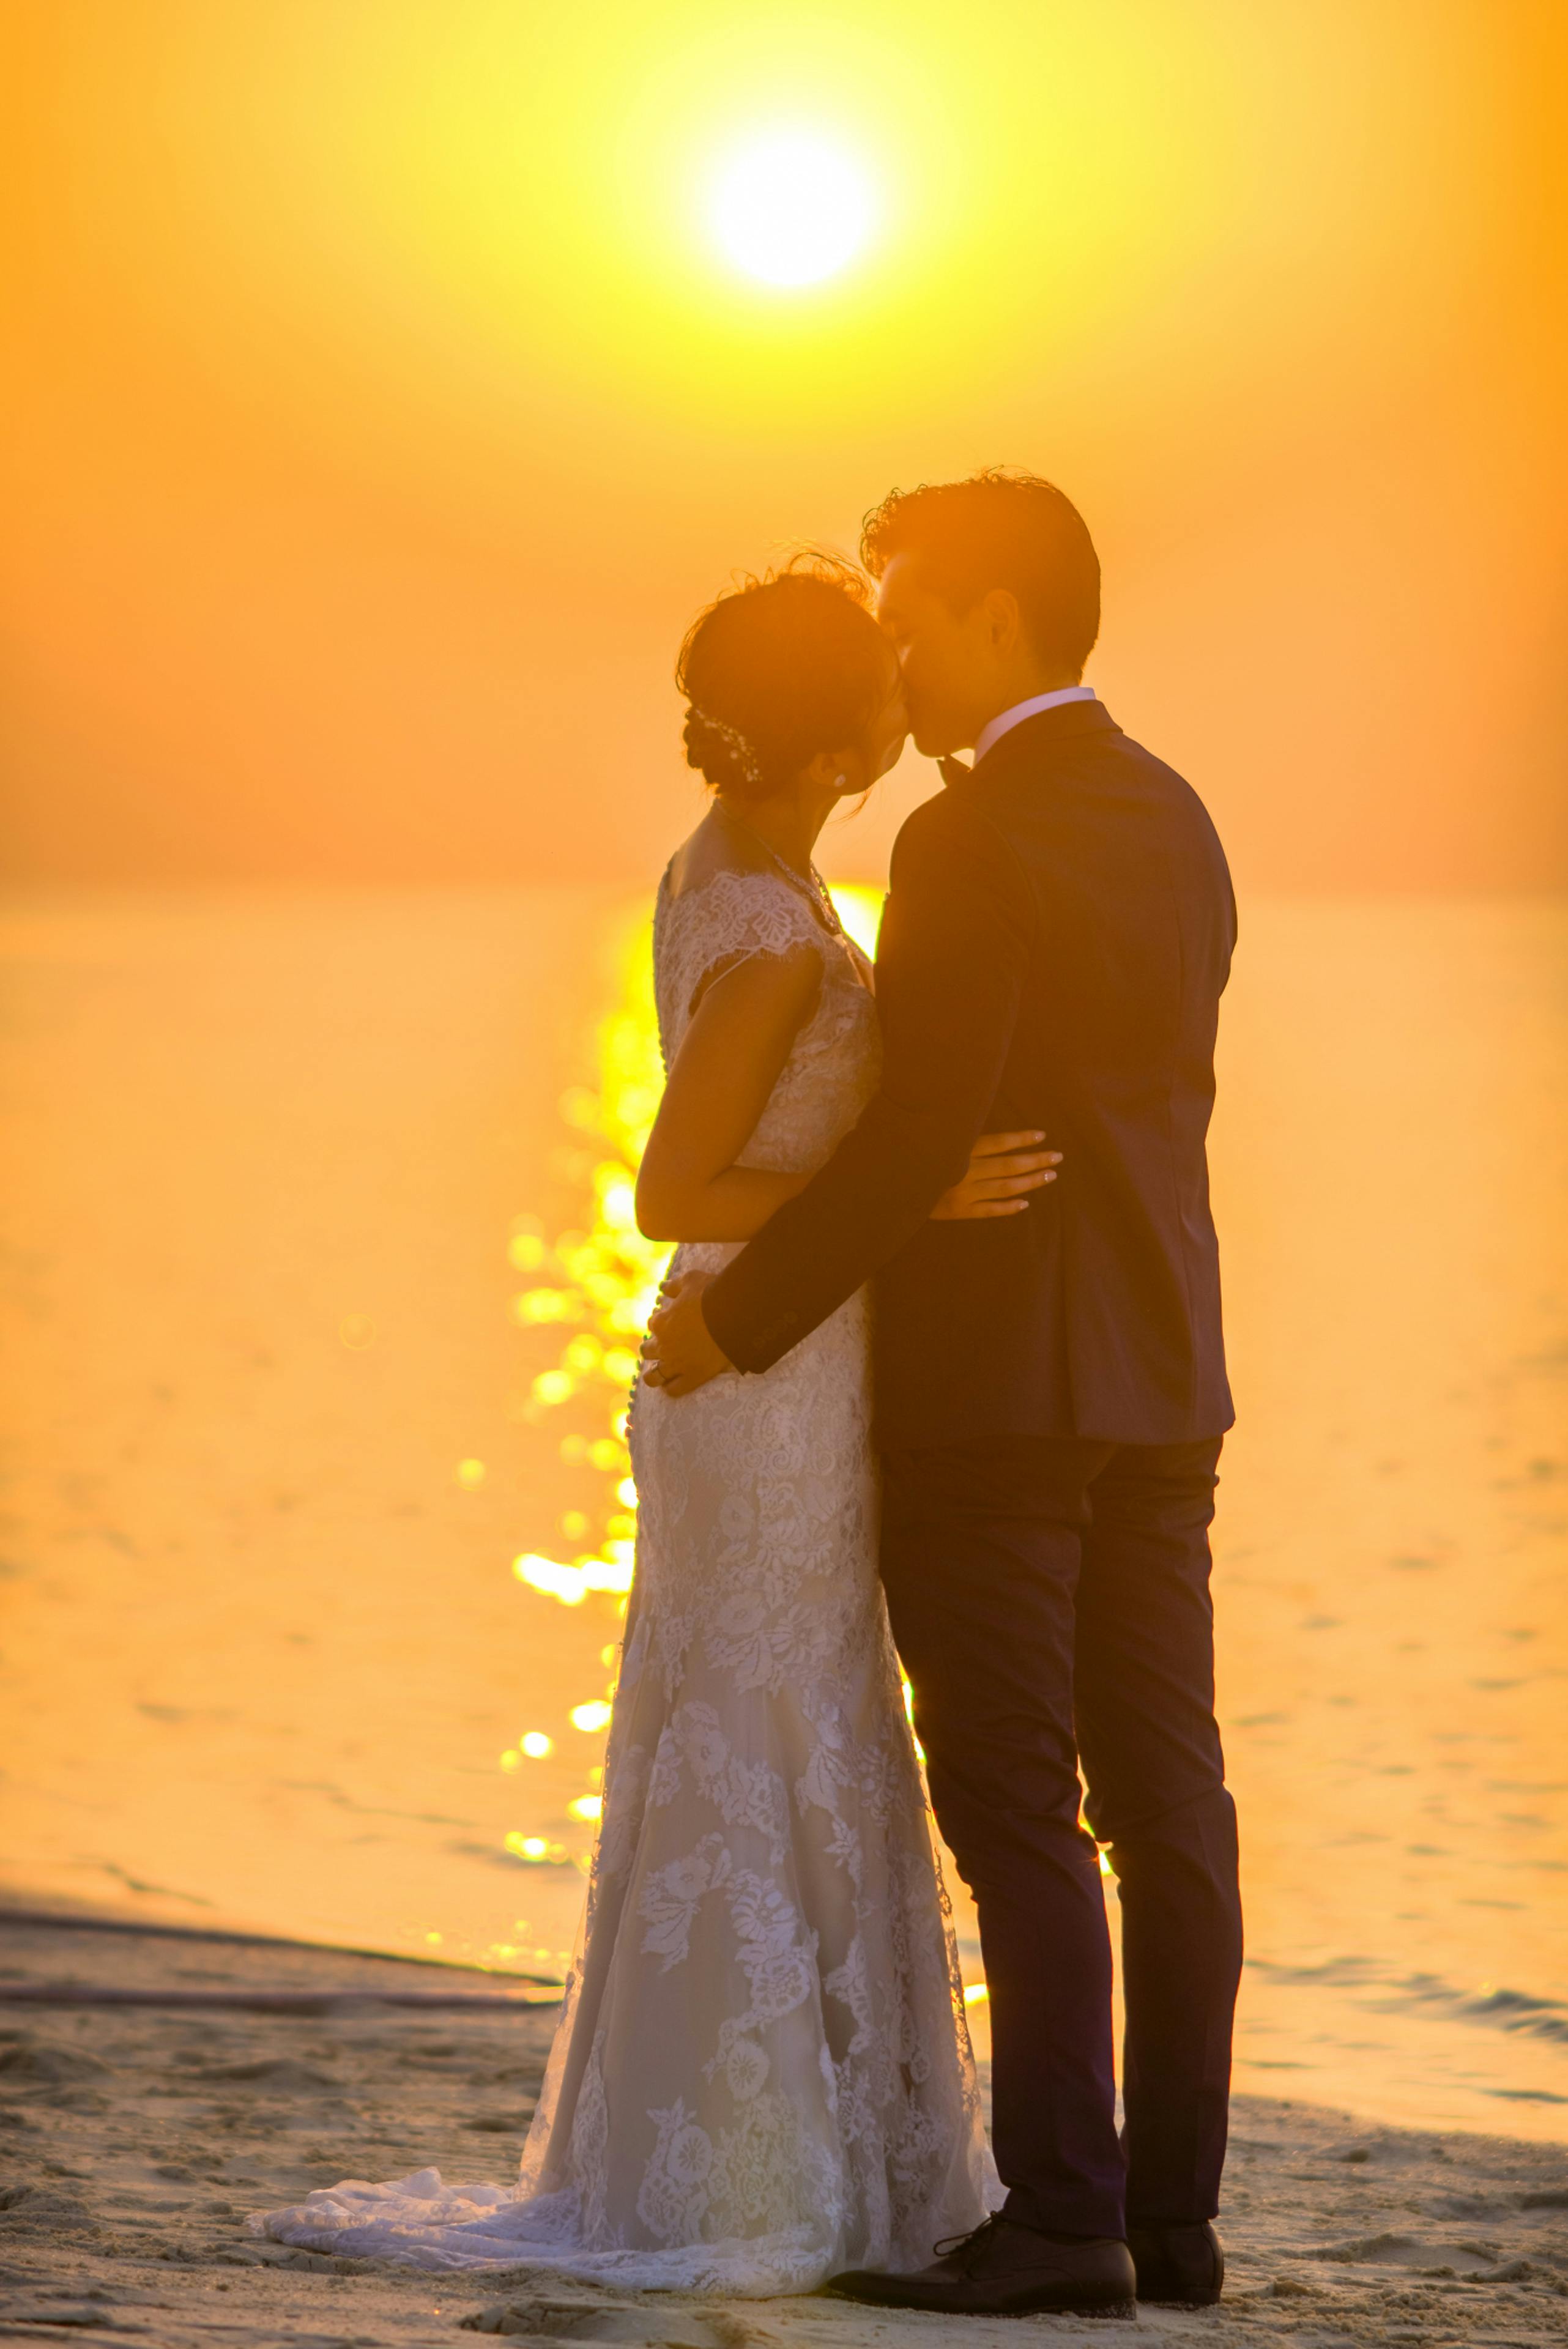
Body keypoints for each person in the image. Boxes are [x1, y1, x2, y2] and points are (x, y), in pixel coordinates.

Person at [254, 551, 1063, 2294]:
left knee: (780, 1725)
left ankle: (787, 2144)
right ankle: (745, 2167)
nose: (900, 694)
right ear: (831, 725)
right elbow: (666, 1183)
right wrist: (908, 1194)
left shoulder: (739, 875)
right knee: (773, 1728)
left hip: (770, 1370)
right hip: (757, 1383)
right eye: (877, 673)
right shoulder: (770, 930)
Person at [647, 472, 1244, 2316]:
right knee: (1169, 1800)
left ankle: (1060, 2220)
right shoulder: (1176, 811)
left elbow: (924, 1128)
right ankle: (1170, 2217)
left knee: (1012, 1802)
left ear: (994, 613)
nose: (890, 648)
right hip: (1165, 1370)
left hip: (1000, 1392)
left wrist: (737, 1331)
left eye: (907, 610)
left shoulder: (964, 843)